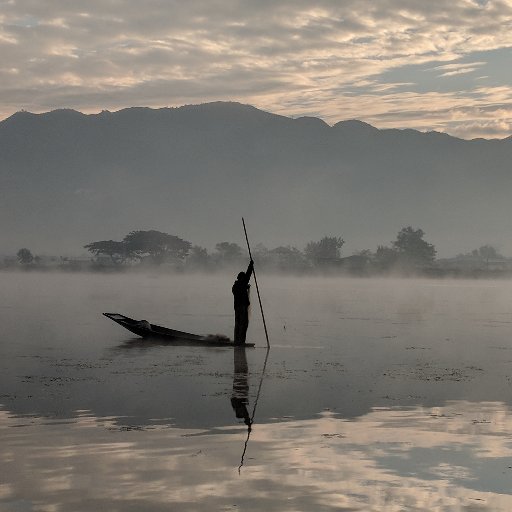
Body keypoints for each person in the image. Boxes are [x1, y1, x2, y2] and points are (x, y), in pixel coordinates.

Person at [232, 259, 254, 345]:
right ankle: (241, 341)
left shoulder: (235, 286)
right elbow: (248, 274)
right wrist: (251, 265)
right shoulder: (242, 284)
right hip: (242, 307)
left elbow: (241, 289)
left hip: (237, 307)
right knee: (243, 324)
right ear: (242, 278)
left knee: (237, 324)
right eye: (244, 278)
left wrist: (246, 287)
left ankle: (237, 340)